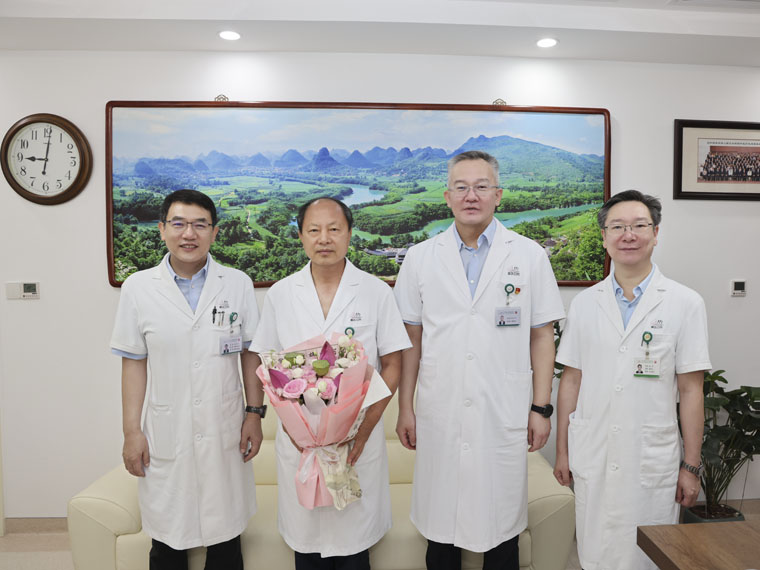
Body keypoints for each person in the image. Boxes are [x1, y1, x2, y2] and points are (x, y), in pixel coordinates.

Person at [393, 151, 565, 570]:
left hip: (502, 408)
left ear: (498, 195)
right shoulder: (420, 257)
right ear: (448, 196)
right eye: (462, 187)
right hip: (440, 408)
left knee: (501, 529)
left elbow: (542, 336)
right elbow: (411, 339)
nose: (471, 196)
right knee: (441, 532)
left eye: (481, 186)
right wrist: (405, 407)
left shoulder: (528, 255)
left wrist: (541, 408)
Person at [249, 197, 411, 570]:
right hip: (300, 446)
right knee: (307, 550)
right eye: (314, 230)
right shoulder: (281, 294)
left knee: (354, 551)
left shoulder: (375, 291)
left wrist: (364, 429)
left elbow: (393, 364)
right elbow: (267, 364)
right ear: (301, 236)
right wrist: (294, 427)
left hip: (356, 441)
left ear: (349, 234)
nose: (324, 238)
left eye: (334, 229)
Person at [553, 190, 710, 570]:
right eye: (617, 227)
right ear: (604, 237)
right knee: (595, 552)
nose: (628, 235)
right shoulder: (585, 304)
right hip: (594, 450)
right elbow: (571, 381)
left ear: (655, 233)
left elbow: (691, 389)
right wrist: (562, 452)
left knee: (648, 554)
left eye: (639, 226)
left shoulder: (685, 303)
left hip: (649, 457)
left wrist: (691, 466)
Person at [111, 189, 264, 570]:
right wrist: (132, 431)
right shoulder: (138, 288)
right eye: (178, 224)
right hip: (168, 428)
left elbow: (251, 354)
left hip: (225, 425)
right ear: (162, 229)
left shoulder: (237, 283)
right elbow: (133, 363)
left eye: (200, 225)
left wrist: (254, 414)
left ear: (215, 232)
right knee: (167, 543)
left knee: (226, 542)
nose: (189, 234)